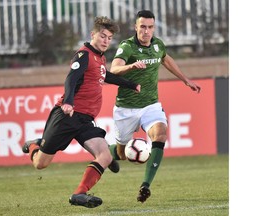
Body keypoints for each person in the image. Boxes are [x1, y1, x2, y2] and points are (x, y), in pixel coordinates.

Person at [21, 16, 140, 208]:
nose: (106, 41)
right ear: (93, 35)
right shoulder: (84, 54)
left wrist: (130, 84)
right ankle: (35, 145)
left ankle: (79, 194)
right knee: (40, 164)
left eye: (109, 38)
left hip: (85, 120)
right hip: (67, 116)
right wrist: (68, 102)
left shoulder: (100, 57)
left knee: (105, 155)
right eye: (102, 36)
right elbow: (72, 78)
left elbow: (105, 75)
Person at [108, 10, 201, 203]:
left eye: (150, 27)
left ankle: (145, 185)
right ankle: (102, 152)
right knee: (121, 154)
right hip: (126, 108)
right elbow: (114, 69)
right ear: (136, 27)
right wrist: (131, 66)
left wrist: (185, 80)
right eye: (142, 27)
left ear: (154, 28)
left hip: (151, 105)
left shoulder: (158, 45)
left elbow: (165, 59)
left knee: (160, 135)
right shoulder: (127, 47)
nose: (146, 31)